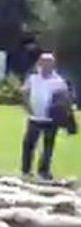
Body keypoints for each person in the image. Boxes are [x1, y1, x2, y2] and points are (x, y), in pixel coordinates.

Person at [21, 52, 73, 180]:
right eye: (43, 63)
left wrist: (63, 115)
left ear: (53, 65)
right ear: (39, 63)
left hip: (50, 119)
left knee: (47, 147)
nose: (45, 66)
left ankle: (43, 171)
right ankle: (26, 170)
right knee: (28, 144)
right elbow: (24, 93)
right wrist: (28, 107)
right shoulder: (33, 78)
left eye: (48, 63)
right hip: (34, 117)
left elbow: (66, 100)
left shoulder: (58, 81)